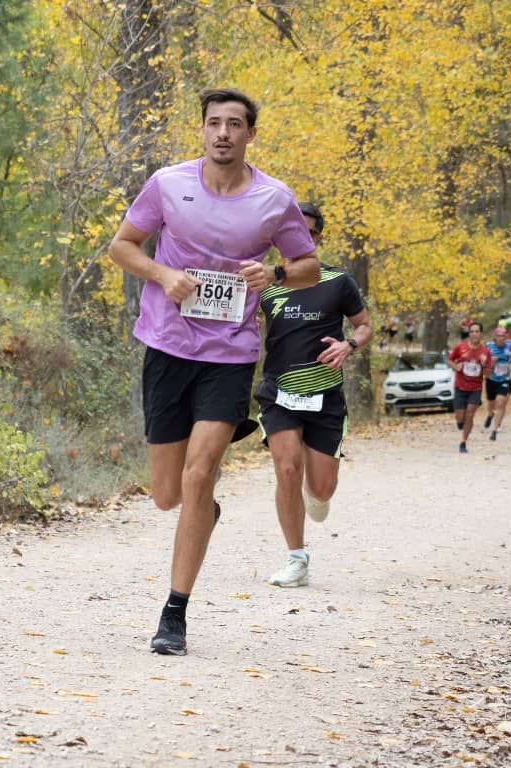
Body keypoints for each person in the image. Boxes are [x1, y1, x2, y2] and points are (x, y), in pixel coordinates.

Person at [107, 88, 320, 655]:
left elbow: (307, 264)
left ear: (250, 134)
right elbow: (122, 246)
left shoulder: (274, 199)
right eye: (214, 123)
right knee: (167, 495)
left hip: (229, 353)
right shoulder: (168, 184)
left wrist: (275, 274)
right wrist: (161, 274)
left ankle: (174, 615)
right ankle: (203, 512)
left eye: (234, 124)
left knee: (199, 475)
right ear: (202, 130)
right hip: (167, 345)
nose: (223, 133)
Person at [255, 202, 373, 588]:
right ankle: (296, 558)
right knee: (287, 468)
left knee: (321, 490)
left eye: (306, 232)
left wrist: (349, 345)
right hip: (278, 391)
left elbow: (365, 326)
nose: (297, 238)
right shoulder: (266, 284)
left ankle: (314, 491)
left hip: (325, 395)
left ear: (317, 238)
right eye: (289, 231)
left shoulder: (338, 281)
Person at [448, 321, 492, 453]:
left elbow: (488, 374)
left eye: (477, 331)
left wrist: (483, 365)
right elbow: (450, 360)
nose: (474, 334)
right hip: (460, 387)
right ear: (469, 333)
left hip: (475, 388)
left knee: (470, 414)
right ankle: (460, 422)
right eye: (472, 331)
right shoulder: (460, 347)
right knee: (460, 417)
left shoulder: (485, 352)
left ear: (481, 334)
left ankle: (463, 442)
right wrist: (456, 367)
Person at [482, 325, 511, 441]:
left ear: (505, 337)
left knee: (500, 403)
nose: (501, 338)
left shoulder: (510, 345)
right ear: (495, 337)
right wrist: (490, 361)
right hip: (491, 378)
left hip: (504, 379)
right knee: (491, 403)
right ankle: (490, 415)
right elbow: (483, 361)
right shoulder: (489, 346)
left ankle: (494, 430)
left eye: (503, 336)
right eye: (499, 336)